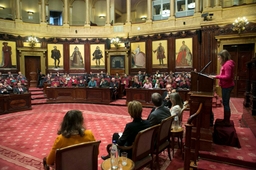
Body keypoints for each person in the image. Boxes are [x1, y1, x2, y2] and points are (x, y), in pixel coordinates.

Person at [209, 50, 235, 126]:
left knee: (226, 104)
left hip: (227, 86)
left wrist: (215, 76)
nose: (218, 59)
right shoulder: (226, 63)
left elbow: (228, 76)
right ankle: (225, 120)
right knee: (225, 103)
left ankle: (226, 121)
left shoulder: (227, 64)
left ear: (223, 57)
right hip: (226, 86)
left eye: (219, 57)